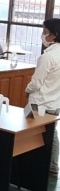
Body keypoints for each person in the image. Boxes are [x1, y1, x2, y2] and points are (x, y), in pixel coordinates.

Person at [25, 18, 60, 177]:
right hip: (55, 101)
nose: (43, 35)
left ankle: (34, 165)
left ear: (54, 35)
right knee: (51, 133)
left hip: (39, 102)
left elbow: (36, 83)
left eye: (45, 32)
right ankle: (51, 167)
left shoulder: (48, 57)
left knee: (29, 131)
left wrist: (27, 90)